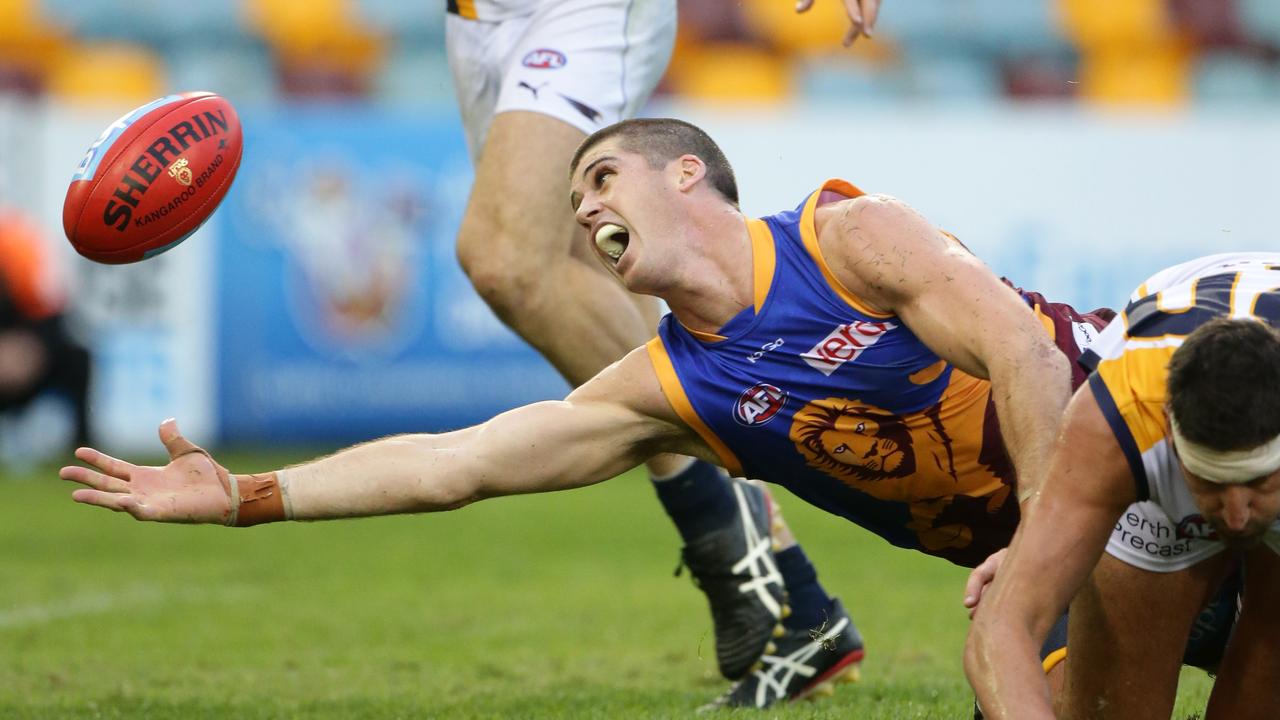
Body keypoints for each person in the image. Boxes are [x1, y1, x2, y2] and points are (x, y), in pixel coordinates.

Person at [64, 118, 1085, 709]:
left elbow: (1026, 357)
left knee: (1018, 652)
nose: (587, 210)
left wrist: (1040, 552)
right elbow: (452, 465)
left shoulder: (849, 237)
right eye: (577, 202)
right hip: (1086, 562)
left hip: (1149, 429)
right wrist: (245, 494)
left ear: (687, 173)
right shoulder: (670, 387)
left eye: (602, 179)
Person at [442, 0, 882, 688]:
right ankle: (802, 607)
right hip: (475, 19)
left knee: (507, 259)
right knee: (597, 261)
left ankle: (722, 523)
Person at [964, 253, 1280, 720]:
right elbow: (1003, 625)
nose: (1235, 515)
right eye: (1210, 481)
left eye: (1257, 481)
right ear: (1169, 435)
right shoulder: (1119, 421)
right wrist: (1044, 555)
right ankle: (1073, 617)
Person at [0, 208, 92, 456]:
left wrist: (32, 347)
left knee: (78, 358)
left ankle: (83, 448)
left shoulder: (16, 247)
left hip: (25, 348)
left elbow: (51, 316)